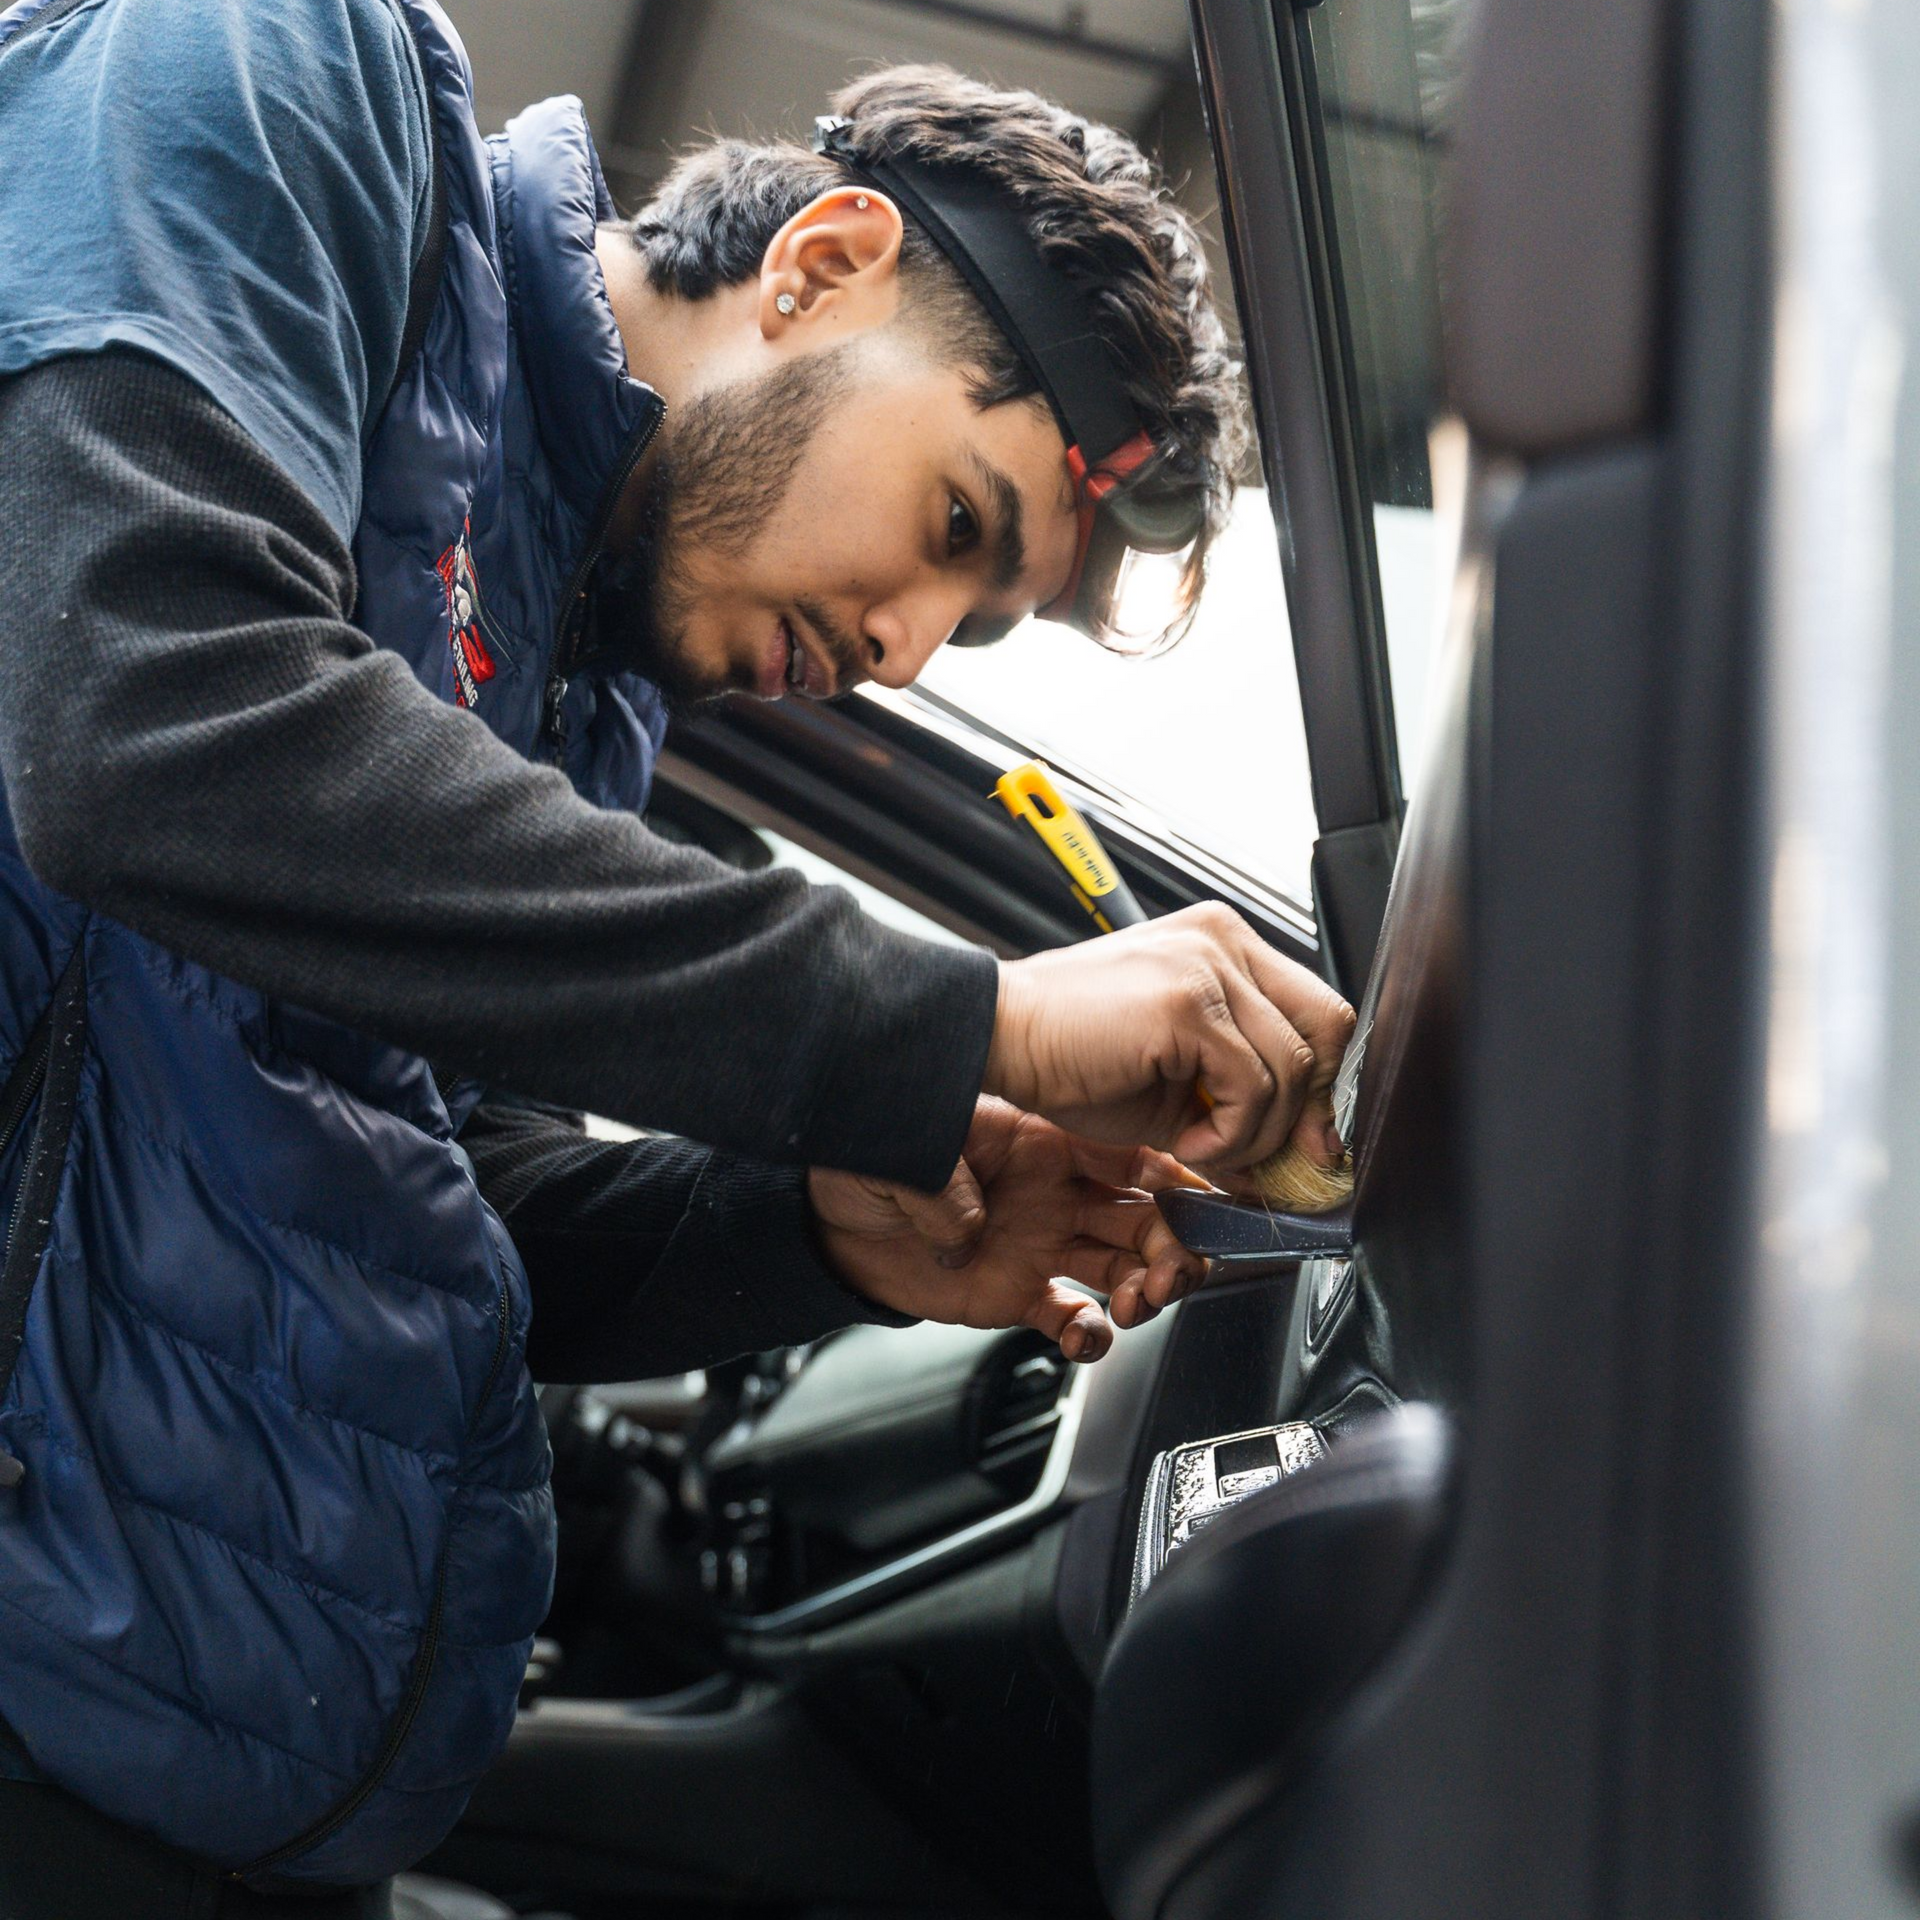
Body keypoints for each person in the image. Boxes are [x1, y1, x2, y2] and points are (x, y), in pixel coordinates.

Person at [0, 0, 1356, 1911]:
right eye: (956, 527)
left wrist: (809, 1228)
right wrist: (975, 1017)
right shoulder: (273, 72)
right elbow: (150, 722)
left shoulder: (581, 691)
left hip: (210, 1779)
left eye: (970, 627)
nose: (902, 647)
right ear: (820, 266)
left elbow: (427, 1197)